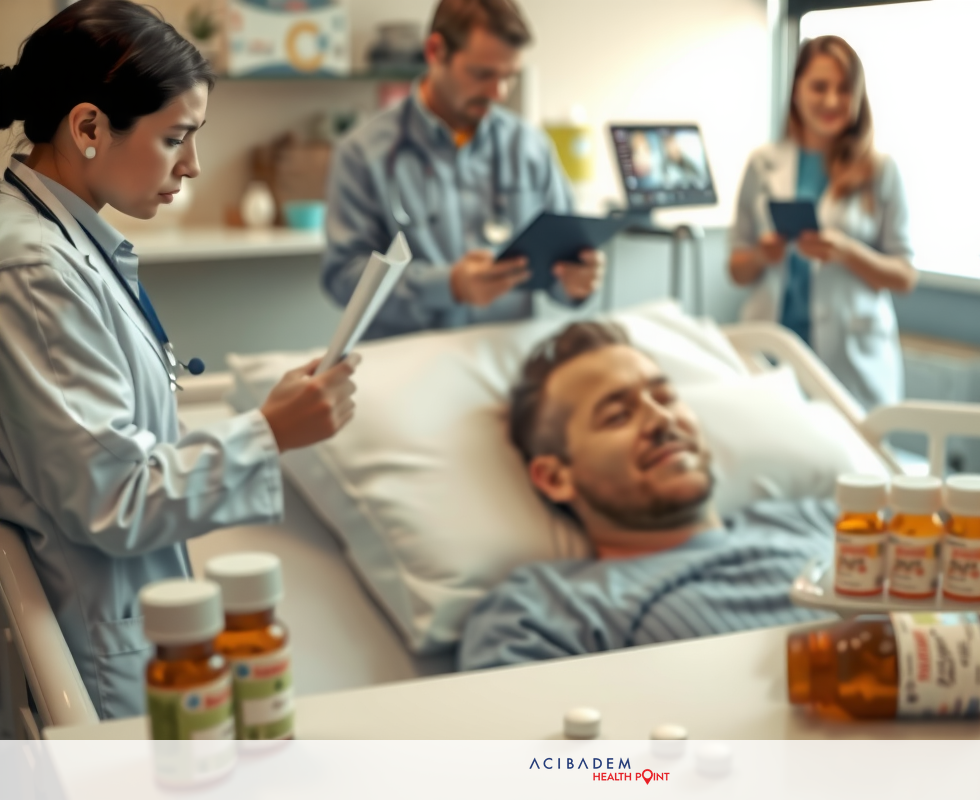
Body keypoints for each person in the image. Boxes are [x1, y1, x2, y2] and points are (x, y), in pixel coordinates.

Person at [0, 0, 359, 719]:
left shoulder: (62, 244)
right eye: (175, 138)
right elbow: (114, 499)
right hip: (99, 660)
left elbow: (117, 453)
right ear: (88, 127)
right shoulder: (33, 269)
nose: (192, 165)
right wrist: (269, 432)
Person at [458, 322, 832, 670]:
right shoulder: (544, 610)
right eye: (618, 415)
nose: (662, 420)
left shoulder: (819, 520)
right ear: (555, 478)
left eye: (665, 397)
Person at [323, 0, 604, 339]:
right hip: (410, 358)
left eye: (509, 77)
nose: (498, 93)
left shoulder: (529, 146)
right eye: (482, 74)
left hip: (507, 355)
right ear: (435, 51)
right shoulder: (363, 153)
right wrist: (448, 285)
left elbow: (563, 257)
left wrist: (576, 283)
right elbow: (343, 279)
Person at [728, 36, 917, 410]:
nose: (831, 101)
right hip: (772, 347)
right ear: (796, 89)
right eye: (819, 86)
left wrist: (848, 253)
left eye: (844, 89)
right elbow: (736, 269)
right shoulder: (762, 163)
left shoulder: (881, 170)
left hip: (849, 358)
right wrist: (763, 255)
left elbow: (905, 276)